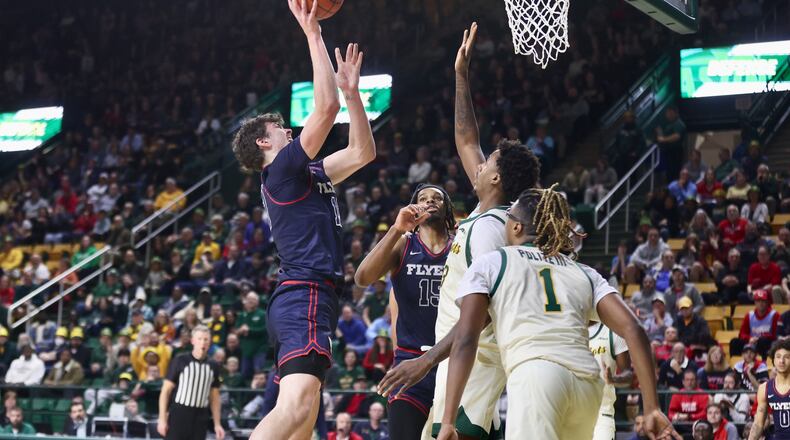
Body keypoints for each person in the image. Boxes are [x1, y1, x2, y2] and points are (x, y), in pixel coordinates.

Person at [378, 23, 543, 440]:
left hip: (473, 369)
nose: (479, 163)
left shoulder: (489, 230)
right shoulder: (486, 212)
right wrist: (460, 75)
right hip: (459, 368)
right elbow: (466, 139)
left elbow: (479, 317)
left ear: (497, 179)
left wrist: (425, 362)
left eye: (488, 162)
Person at [233, 2, 376, 437]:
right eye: (280, 129)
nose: (289, 131)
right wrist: (313, 33)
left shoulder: (304, 173)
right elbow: (325, 108)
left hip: (310, 296)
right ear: (264, 142)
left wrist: (354, 96)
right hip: (304, 293)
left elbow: (361, 153)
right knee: (296, 409)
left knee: (305, 413)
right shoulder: (279, 171)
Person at [435, 188, 678, 440]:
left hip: (537, 375)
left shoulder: (492, 261)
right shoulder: (585, 272)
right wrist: (651, 407)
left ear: (516, 227)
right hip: (587, 385)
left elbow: (465, 339)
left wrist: (448, 420)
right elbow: (634, 329)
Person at [354, 185, 454, 440]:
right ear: (414, 207)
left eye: (437, 198)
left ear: (447, 208)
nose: (430, 201)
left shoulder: (460, 247)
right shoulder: (403, 245)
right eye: (423, 199)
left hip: (452, 360)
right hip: (409, 363)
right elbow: (362, 277)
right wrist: (398, 228)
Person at [157, 326, 225, 440]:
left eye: (206, 339)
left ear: (210, 342)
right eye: (199, 339)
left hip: (201, 416)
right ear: (192, 340)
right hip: (179, 413)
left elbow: (215, 397)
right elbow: (165, 392)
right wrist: (162, 419)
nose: (202, 342)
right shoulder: (180, 360)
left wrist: (217, 424)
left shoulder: (214, 365)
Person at [588, 322, 633, 440]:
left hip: (602, 413)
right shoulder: (569, 331)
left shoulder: (613, 332)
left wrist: (613, 379)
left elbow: (628, 375)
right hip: (572, 412)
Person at [750, 338, 790, 439]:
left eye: (787, 357)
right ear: (773, 360)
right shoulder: (764, 388)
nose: (782, 361)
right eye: (778, 357)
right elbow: (758, 424)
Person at [732, 289, 779, 357]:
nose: (760, 303)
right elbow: (742, 334)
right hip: (751, 342)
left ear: (767, 302)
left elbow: (776, 335)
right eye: (758, 301)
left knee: (763, 341)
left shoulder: (774, 315)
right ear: (755, 302)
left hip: (767, 344)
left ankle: (764, 362)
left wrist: (759, 338)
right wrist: (749, 338)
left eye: (763, 301)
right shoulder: (749, 315)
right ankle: (737, 364)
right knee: (734, 342)